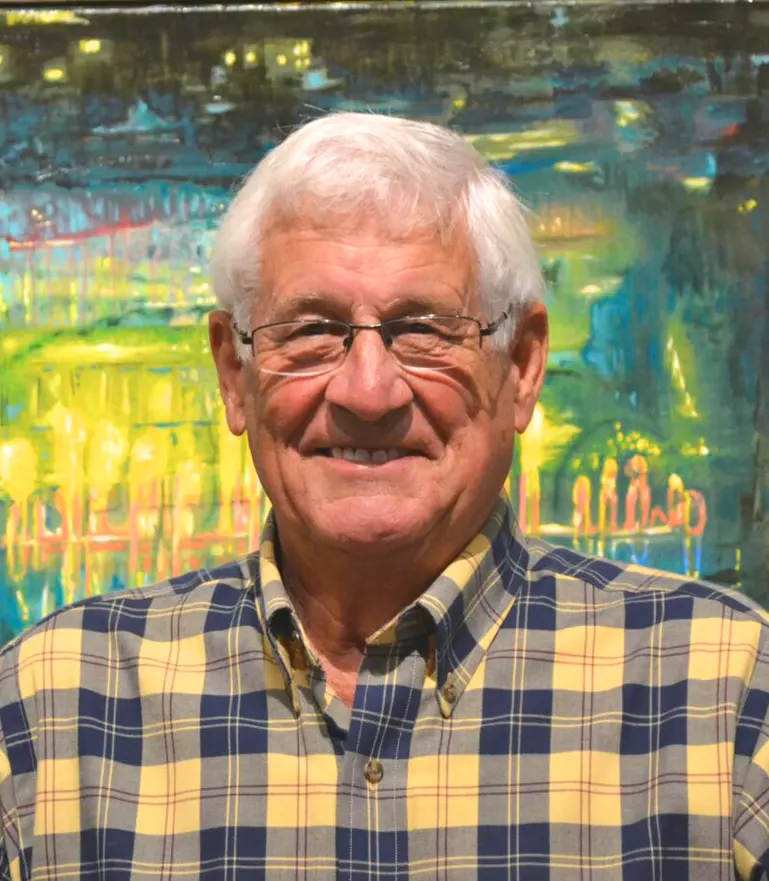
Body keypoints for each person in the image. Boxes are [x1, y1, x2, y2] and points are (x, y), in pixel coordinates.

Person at [1, 112, 769, 881]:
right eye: (310, 330)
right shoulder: (55, 709)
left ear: (522, 366)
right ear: (234, 375)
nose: (367, 392)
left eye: (423, 329)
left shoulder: (722, 697)